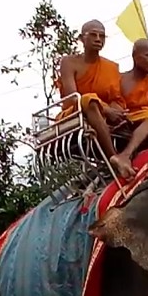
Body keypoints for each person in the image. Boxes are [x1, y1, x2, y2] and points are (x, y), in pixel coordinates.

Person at [58, 20, 129, 178]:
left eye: (102, 36)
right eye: (93, 35)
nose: (98, 39)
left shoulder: (111, 67)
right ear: (82, 38)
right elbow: (72, 98)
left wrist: (114, 111)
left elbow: (117, 99)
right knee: (89, 100)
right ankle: (113, 157)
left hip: (103, 116)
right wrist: (104, 108)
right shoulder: (69, 62)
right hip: (75, 113)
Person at [112, 38, 148, 180]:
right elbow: (113, 102)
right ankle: (125, 155)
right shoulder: (120, 79)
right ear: (135, 56)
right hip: (125, 119)